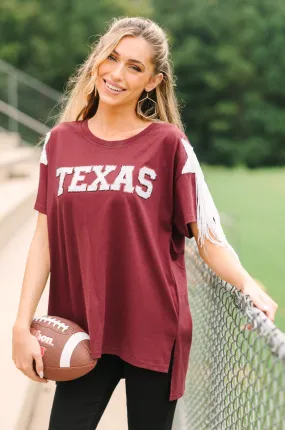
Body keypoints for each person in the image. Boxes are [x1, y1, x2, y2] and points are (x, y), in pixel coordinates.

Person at [12, 16, 278, 430]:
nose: (117, 74)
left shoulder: (168, 145)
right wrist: (20, 325)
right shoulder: (60, 142)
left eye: (134, 67)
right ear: (97, 60)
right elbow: (44, 240)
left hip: (155, 330)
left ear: (152, 81)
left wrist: (245, 282)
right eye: (112, 58)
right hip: (81, 331)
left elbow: (206, 235)